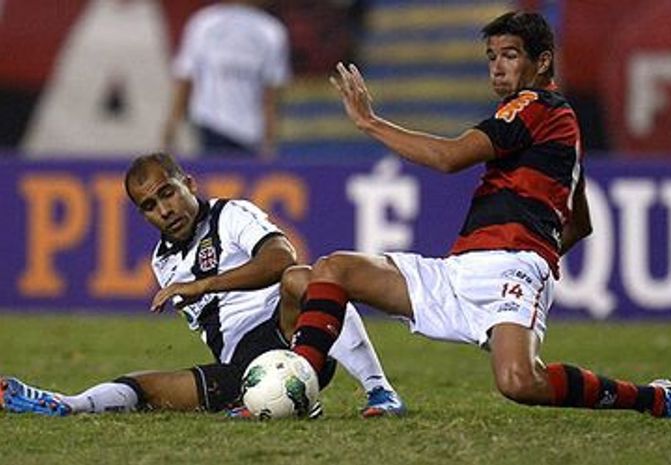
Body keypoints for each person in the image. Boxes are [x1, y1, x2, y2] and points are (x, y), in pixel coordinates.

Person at [288, 11, 671, 419]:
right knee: (333, 269)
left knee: (520, 382)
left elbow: (450, 158)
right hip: (460, 270)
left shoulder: (536, 105)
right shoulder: (558, 125)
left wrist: (370, 123)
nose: (497, 68)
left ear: (543, 62)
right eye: (491, 56)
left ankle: (655, 398)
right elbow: (580, 222)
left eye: (510, 55)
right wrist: (545, 246)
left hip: (511, 272)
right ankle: (302, 383)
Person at [0, 152, 405, 418]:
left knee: (305, 279)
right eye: (150, 206)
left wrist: (203, 285)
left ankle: (379, 390)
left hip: (295, 330)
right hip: (241, 366)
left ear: (189, 185)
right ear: (143, 216)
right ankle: (65, 404)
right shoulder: (164, 262)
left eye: (167, 194)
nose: (164, 210)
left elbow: (282, 258)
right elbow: (219, 333)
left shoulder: (231, 214)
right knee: (144, 387)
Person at [162, 0, 289, 159]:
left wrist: (171, 127)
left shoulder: (205, 22)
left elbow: (186, 80)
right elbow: (271, 95)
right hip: (216, 126)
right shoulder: (270, 30)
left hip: (235, 129)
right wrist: (270, 143)